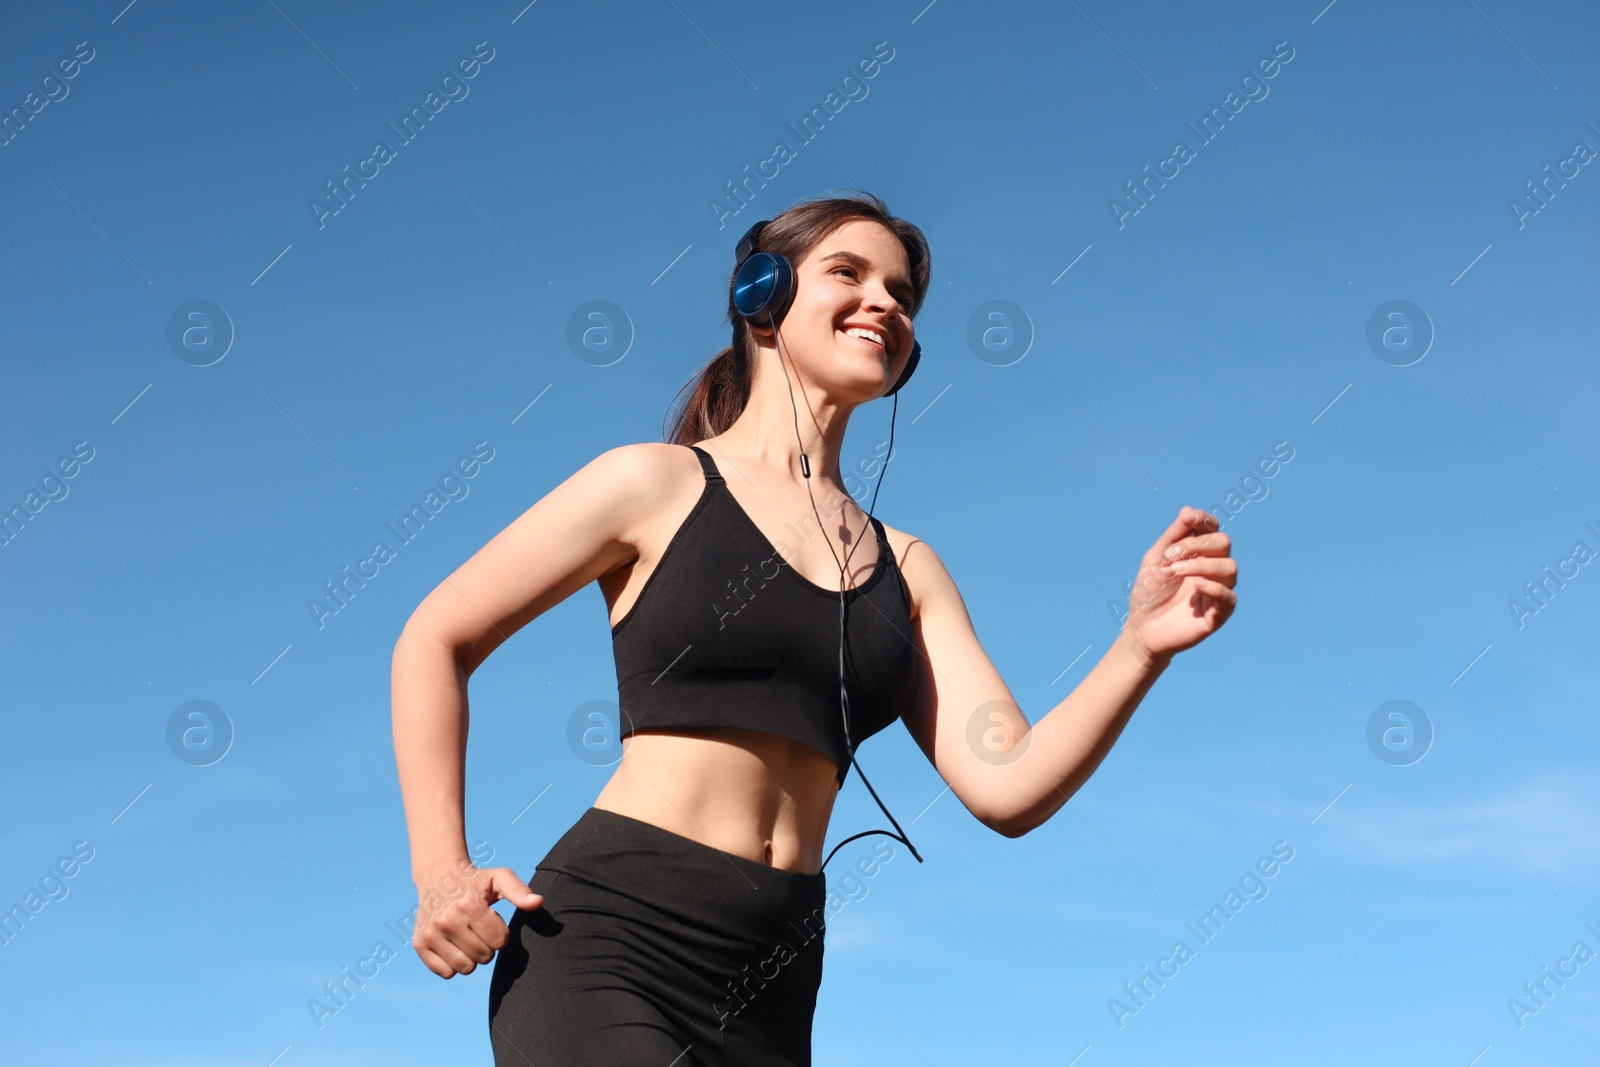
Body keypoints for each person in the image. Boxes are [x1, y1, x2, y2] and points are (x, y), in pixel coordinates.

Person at [390, 191, 1237, 1066]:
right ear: (762, 295)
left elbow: (1008, 786)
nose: (886, 303)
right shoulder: (653, 485)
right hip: (613, 941)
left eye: (902, 294)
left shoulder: (908, 568)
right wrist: (440, 869)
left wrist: (1138, 647)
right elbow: (436, 636)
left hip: (775, 978)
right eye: (850, 274)